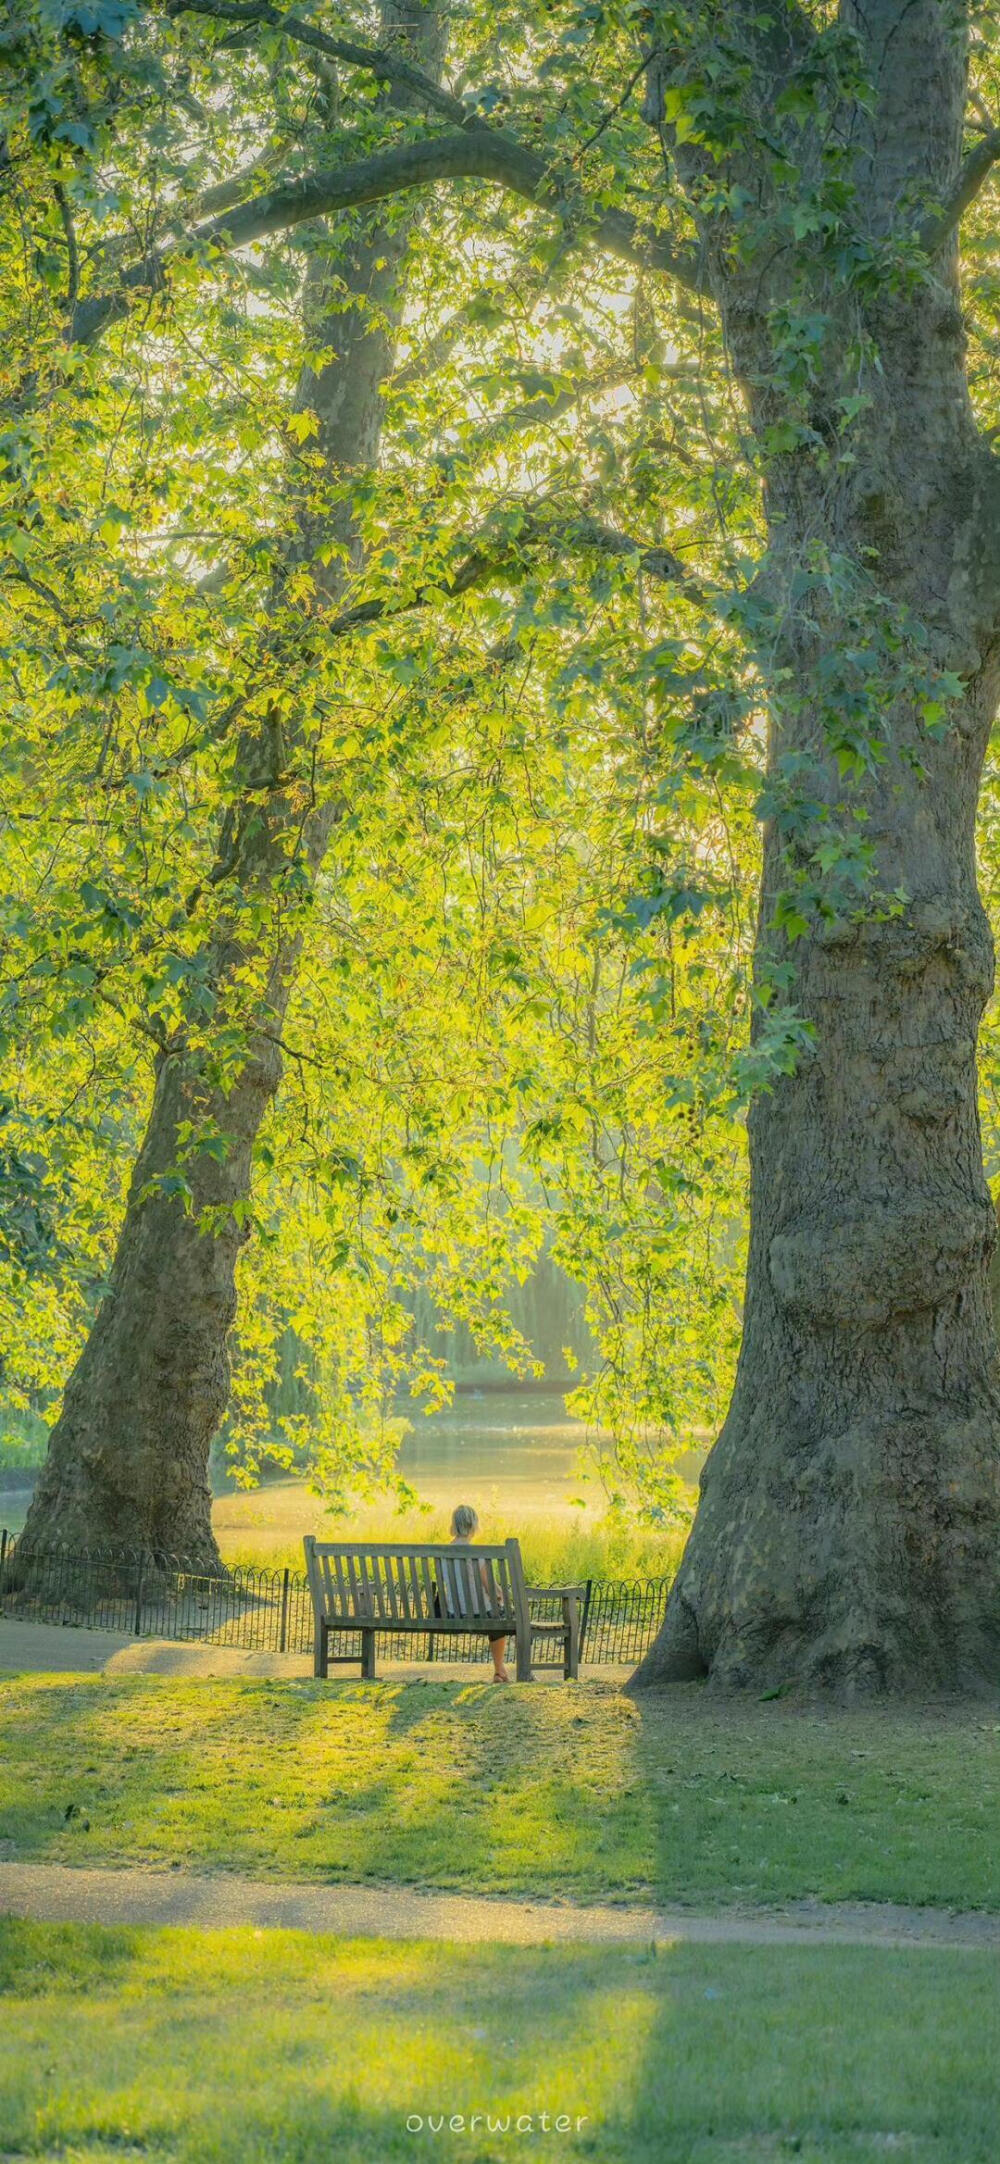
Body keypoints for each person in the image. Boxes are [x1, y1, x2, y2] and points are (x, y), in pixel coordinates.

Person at [443, 1503, 510, 1683]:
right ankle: (499, 1670)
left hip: (452, 1614)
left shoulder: (443, 1554)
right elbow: (491, 1588)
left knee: (498, 1613)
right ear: (473, 1525)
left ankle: (500, 1671)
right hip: (479, 1613)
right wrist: (503, 1596)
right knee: (502, 1617)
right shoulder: (477, 1554)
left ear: (454, 1525)